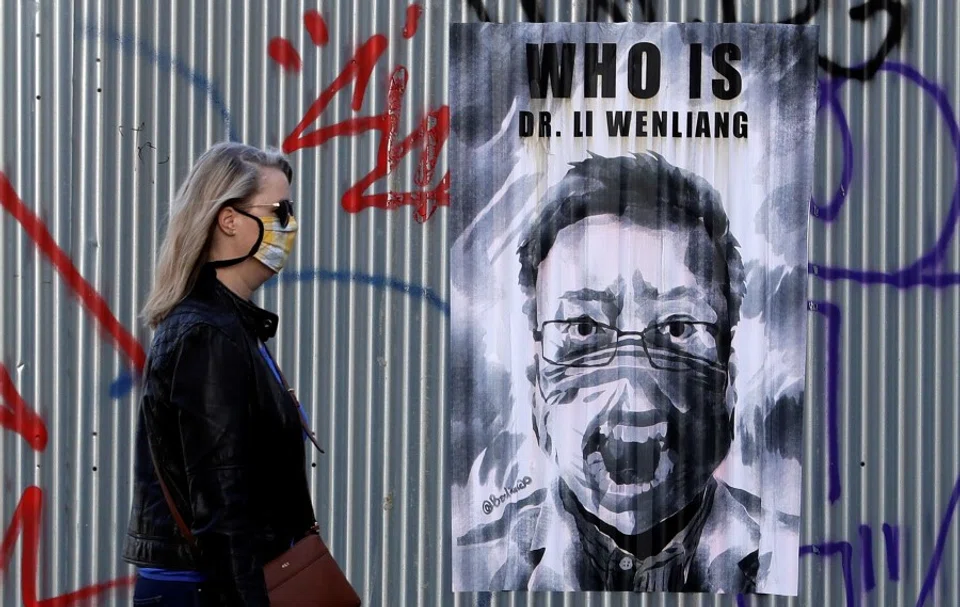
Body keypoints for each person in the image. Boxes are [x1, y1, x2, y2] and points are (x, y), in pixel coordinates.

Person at [455, 152, 790, 592]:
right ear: (537, 386)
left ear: (727, 385)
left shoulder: (791, 558)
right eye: (583, 328)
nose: (633, 396)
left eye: (677, 328)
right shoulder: (471, 571)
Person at [123, 142, 318, 605]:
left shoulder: (231, 328)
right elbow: (224, 511)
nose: (289, 225)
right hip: (206, 590)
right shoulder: (207, 336)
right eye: (279, 210)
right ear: (229, 220)